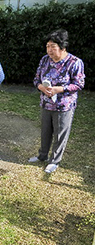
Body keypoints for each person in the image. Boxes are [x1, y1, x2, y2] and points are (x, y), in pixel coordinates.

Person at [29, 29, 85, 173]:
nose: (49, 50)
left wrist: (58, 89)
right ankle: (42, 156)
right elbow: (36, 79)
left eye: (53, 47)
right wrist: (41, 87)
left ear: (62, 47)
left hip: (63, 105)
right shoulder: (45, 60)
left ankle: (54, 161)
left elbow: (78, 84)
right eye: (47, 46)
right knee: (45, 132)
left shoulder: (75, 62)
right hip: (46, 103)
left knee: (60, 134)